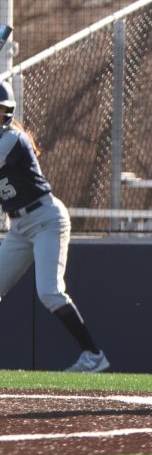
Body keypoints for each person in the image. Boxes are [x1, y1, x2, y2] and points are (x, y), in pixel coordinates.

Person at [0, 82, 109, 372]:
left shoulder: (13, 138)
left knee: (49, 291)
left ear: (7, 114)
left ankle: (93, 355)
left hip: (46, 219)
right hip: (19, 227)